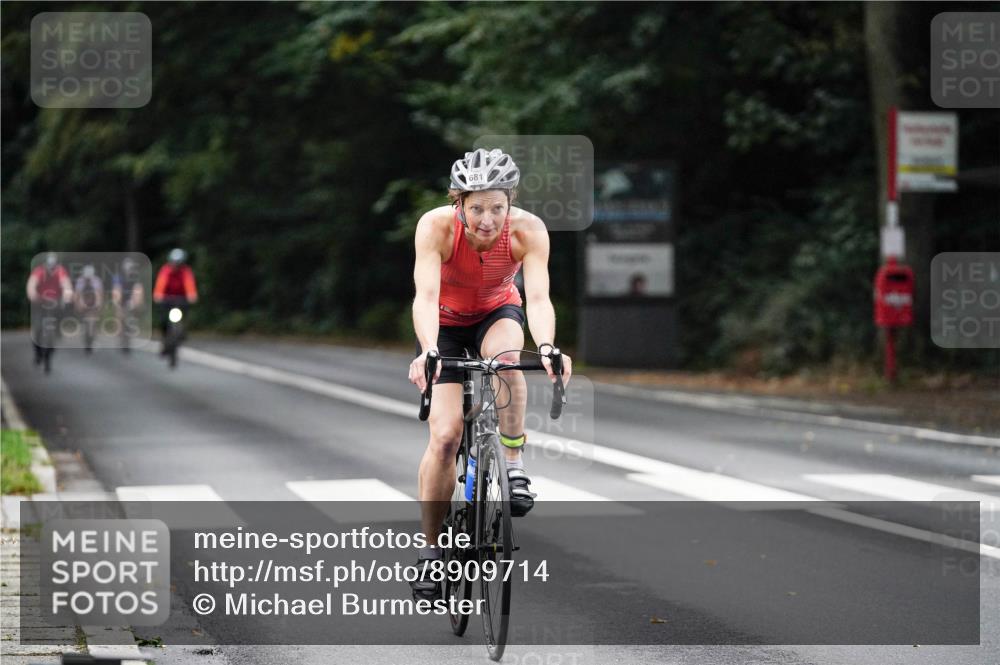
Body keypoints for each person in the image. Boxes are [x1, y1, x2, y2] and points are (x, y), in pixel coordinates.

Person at [407, 148, 572, 600]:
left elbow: (538, 298)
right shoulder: (435, 226)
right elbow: (425, 296)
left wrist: (547, 346)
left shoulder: (528, 230)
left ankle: (513, 465)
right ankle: (429, 550)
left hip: (496, 313)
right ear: (458, 202)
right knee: (445, 437)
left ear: (510, 202)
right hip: (443, 324)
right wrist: (428, 349)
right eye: (477, 208)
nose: (487, 220)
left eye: (497, 207)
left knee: (507, 363)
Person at [25, 252, 73, 367]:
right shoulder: (39, 271)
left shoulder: (60, 271)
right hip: (40, 301)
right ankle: (37, 352)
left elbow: (66, 284)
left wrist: (67, 296)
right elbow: (31, 284)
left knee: (57, 320)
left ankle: (56, 335)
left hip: (54, 302)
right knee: (37, 328)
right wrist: (33, 295)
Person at [153, 248, 198, 351]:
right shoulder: (165, 270)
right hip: (167, 298)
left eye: (178, 263)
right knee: (164, 319)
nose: (176, 265)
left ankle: (182, 330)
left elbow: (189, 284)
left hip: (181, 299)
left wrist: (192, 295)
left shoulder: (185, 271)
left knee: (184, 313)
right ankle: (165, 337)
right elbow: (161, 284)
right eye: (174, 263)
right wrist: (158, 295)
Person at [111, 257, 145, 353]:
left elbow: (138, 290)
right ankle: (120, 333)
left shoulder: (135, 277)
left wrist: (136, 302)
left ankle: (130, 331)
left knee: (130, 316)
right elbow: (116, 290)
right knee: (120, 318)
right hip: (121, 299)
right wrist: (117, 303)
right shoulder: (118, 277)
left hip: (131, 300)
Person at [73, 264, 104, 354]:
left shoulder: (97, 281)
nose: (88, 279)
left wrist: (99, 305)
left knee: (93, 322)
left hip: (93, 303)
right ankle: (85, 334)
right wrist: (78, 305)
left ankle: (92, 337)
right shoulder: (80, 281)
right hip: (83, 302)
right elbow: (77, 294)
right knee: (85, 322)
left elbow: (99, 294)